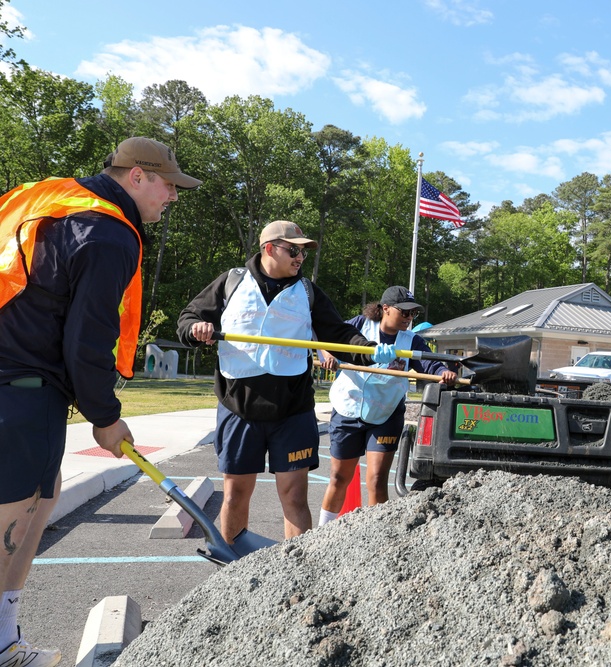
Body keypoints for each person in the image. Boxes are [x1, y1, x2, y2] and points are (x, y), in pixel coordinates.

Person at [0, 137, 201, 665]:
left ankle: (3, 640)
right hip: (21, 390)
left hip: (15, 383)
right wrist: (106, 418)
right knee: (14, 520)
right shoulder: (109, 233)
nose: (173, 197)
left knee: (44, 501)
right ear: (137, 176)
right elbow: (85, 341)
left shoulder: (54, 201)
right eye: (168, 184)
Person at [176, 220, 395, 545]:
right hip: (239, 408)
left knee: (294, 496)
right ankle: (230, 572)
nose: (300, 257)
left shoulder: (307, 292)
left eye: (304, 252)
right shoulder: (231, 282)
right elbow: (188, 318)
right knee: (235, 494)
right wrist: (197, 329)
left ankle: (297, 574)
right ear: (269, 249)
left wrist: (370, 351)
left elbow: (338, 334)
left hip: (292, 411)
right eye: (293, 250)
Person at [319, 286, 457, 524]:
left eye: (413, 313)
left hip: (386, 413)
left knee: (376, 480)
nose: (409, 318)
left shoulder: (411, 339)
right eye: (404, 312)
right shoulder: (360, 324)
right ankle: (321, 532)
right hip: (348, 408)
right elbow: (327, 338)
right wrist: (326, 356)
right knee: (339, 477)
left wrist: (444, 371)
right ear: (384, 309)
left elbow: (431, 365)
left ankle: (376, 534)